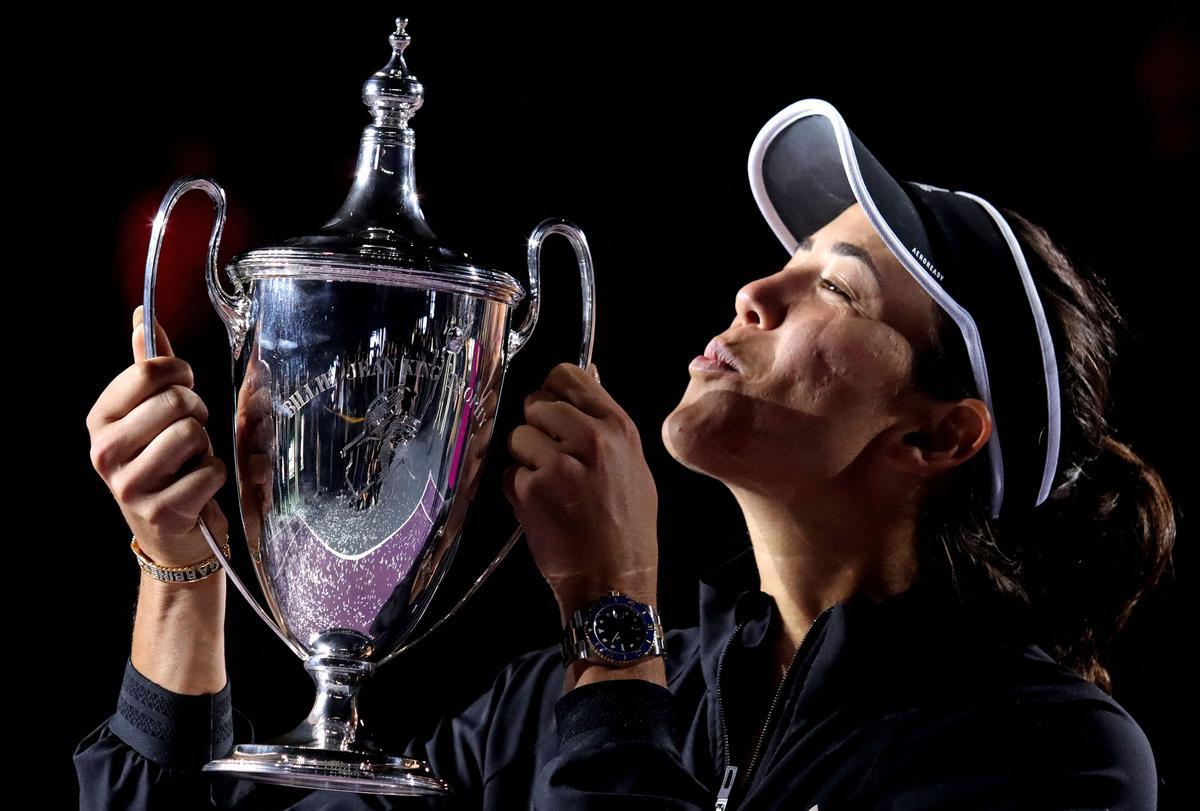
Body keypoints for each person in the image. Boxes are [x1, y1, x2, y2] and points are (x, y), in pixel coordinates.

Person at [74, 98, 1173, 810]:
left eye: (837, 288)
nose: (757, 290)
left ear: (937, 434)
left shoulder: (1057, 756)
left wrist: (613, 610)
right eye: (787, 259)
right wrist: (177, 559)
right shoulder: (561, 702)